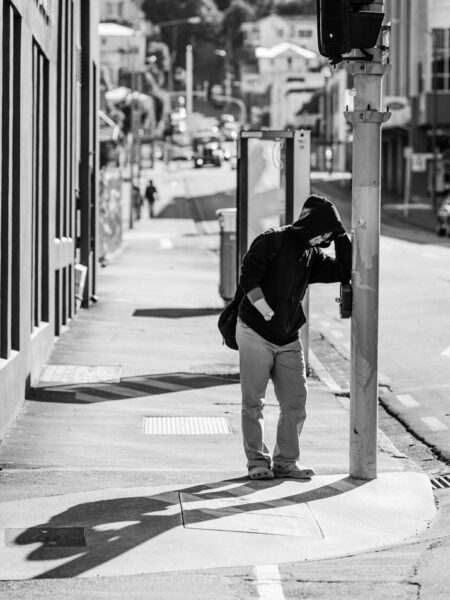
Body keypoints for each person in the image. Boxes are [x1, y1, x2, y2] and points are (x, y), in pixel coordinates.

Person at [236, 194, 352, 481]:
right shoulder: (273, 240)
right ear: (310, 225)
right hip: (255, 333)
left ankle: (286, 462)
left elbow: (342, 269)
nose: (324, 238)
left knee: (296, 402)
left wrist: (340, 235)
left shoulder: (312, 255)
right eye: (323, 231)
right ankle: (257, 462)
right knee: (254, 402)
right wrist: (264, 310)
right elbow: (248, 275)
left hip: (288, 337)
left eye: (328, 235)